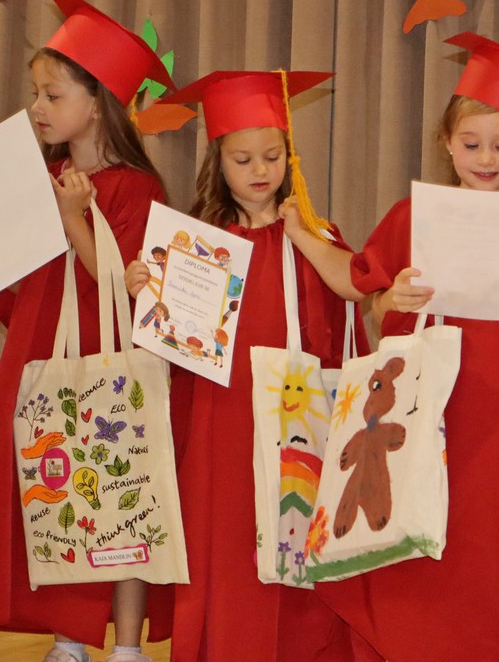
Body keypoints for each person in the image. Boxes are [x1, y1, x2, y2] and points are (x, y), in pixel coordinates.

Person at [313, 32, 499, 661]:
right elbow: (377, 312)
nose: (486, 158)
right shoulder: (412, 218)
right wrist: (393, 299)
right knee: (410, 559)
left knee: (488, 560)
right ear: (446, 143)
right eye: (470, 144)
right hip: (420, 417)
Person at [0, 0, 174, 662]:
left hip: (111, 366)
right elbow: (29, 294)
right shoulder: (45, 177)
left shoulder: (137, 187)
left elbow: (123, 289)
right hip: (46, 353)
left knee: (123, 497)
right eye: (37, 94)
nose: (38, 108)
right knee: (61, 492)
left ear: (98, 102)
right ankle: (70, 638)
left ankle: (127, 646)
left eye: (53, 95)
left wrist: (76, 219)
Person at [124, 70, 365, 662]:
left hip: (295, 420)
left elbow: (352, 296)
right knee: (226, 544)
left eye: (272, 157)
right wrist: (145, 290)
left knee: (296, 541)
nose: (260, 171)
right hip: (222, 423)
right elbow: (170, 347)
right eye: (242, 159)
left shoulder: (316, 236)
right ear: (218, 162)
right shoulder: (197, 244)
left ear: (290, 156)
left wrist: (302, 234)